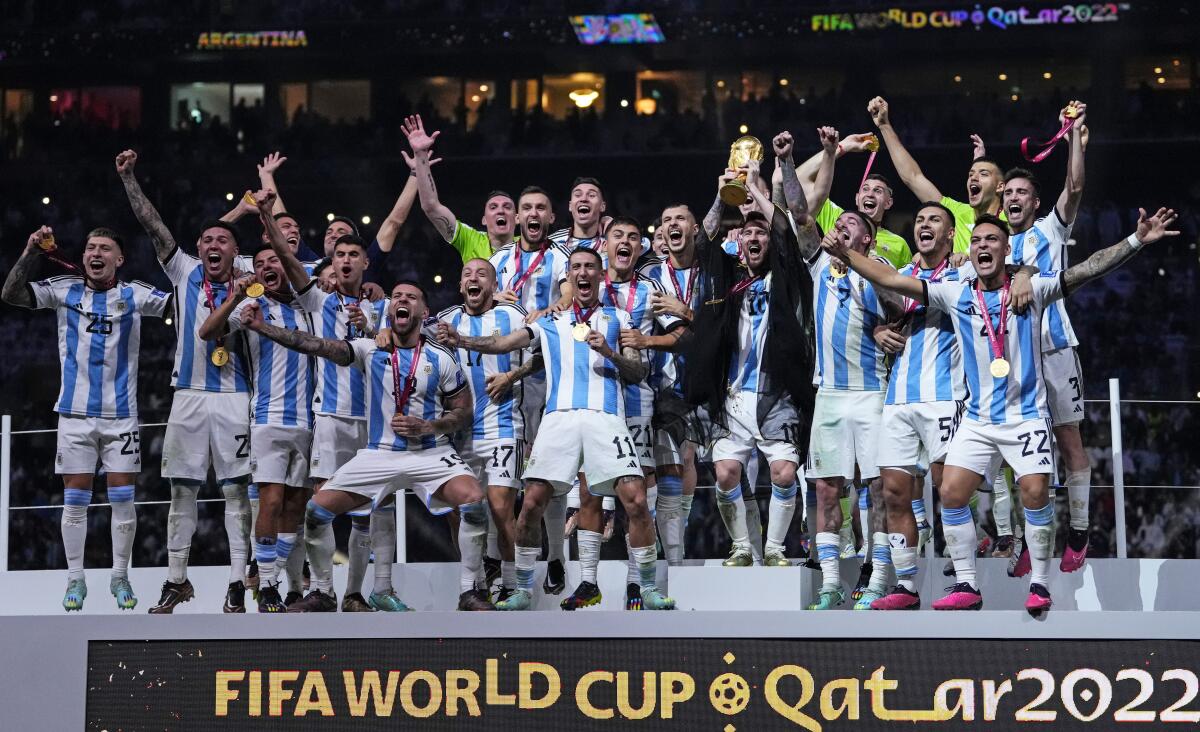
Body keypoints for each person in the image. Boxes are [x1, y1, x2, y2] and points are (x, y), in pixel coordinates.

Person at [824, 207, 1178, 614]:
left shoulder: (1033, 288)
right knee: (952, 495)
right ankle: (967, 586)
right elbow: (890, 278)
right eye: (976, 241)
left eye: (991, 240)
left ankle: (1041, 585)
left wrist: (1135, 241)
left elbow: (1087, 270)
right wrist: (845, 254)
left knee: (1034, 493)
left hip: (1025, 417)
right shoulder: (956, 293)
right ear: (969, 251)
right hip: (977, 420)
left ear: (1006, 250)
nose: (982, 246)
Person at [439, 248, 675, 611]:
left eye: (590, 268)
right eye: (576, 267)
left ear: (600, 276)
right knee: (531, 502)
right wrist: (462, 341)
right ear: (570, 276)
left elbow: (638, 371)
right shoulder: (550, 322)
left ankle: (646, 587)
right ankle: (521, 588)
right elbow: (504, 343)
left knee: (637, 500)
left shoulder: (619, 317)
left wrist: (610, 353)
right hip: (558, 419)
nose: (583, 273)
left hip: (605, 417)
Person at [241, 282, 495, 612]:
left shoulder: (441, 358)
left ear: (424, 313)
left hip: (431, 453)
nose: (403, 299)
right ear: (390, 311)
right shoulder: (369, 349)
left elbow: (464, 412)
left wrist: (430, 426)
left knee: (474, 502)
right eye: (398, 296)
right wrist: (264, 327)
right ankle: (322, 592)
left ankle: (469, 592)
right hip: (380, 454)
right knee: (317, 512)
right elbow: (314, 344)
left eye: (412, 297)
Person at [2, 225, 170, 611]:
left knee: (123, 501)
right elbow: (11, 294)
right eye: (91, 247)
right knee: (75, 502)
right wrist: (29, 251)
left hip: (121, 417)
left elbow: (180, 305)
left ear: (119, 259)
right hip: (75, 415)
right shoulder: (64, 289)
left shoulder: (135, 294)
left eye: (105, 248)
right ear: (83, 257)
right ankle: (75, 581)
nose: (96, 252)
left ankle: (120, 577)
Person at [116, 149, 254, 614]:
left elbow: (296, 264)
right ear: (199, 248)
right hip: (188, 396)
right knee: (182, 490)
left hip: (236, 395)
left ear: (237, 251)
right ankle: (177, 580)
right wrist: (130, 177)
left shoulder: (252, 277)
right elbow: (152, 224)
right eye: (206, 239)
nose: (214, 244)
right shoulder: (183, 270)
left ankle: (237, 582)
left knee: (237, 490)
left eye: (223, 239)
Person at [683, 141, 818, 574]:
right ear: (738, 241)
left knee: (781, 473)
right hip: (733, 394)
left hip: (777, 394)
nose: (755, 237)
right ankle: (742, 546)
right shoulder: (727, 278)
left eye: (759, 231)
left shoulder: (788, 273)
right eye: (748, 233)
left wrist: (756, 191)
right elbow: (702, 241)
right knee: (725, 475)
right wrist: (725, 196)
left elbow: (783, 229)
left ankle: (776, 548)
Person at [259, 204, 395, 612]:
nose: (347, 261)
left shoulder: (385, 308)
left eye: (354, 255)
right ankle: (322, 590)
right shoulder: (317, 302)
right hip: (331, 418)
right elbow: (286, 257)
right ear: (330, 263)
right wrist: (267, 216)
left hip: (373, 425)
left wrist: (374, 326)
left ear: (367, 262)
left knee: (364, 514)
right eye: (340, 255)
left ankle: (353, 593)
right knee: (319, 507)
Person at [200, 194, 316, 612]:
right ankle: (267, 586)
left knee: (295, 507)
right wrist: (232, 298)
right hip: (267, 419)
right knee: (269, 501)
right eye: (262, 263)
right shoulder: (252, 306)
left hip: (309, 422)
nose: (269, 267)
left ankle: (269, 579)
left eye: (276, 262)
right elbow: (206, 331)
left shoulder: (309, 306)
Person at [563, 216, 685, 611]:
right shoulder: (581, 286)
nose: (626, 242)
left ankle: (637, 583)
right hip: (591, 401)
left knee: (638, 495)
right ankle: (587, 582)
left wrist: (647, 338)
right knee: (588, 489)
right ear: (606, 244)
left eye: (634, 237)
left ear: (640, 247)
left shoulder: (650, 289)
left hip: (635, 400)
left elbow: (683, 332)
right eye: (618, 235)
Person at [1001, 101, 1092, 574]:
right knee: (1017, 452)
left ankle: (1078, 529)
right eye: (1008, 192)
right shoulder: (988, 240)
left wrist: (1073, 134)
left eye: (1022, 192)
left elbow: (1074, 185)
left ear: (1034, 202)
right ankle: (1027, 539)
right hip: (1011, 360)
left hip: (1055, 350)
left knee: (1068, 437)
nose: (1014, 197)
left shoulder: (1050, 229)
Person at [869, 203, 966, 610]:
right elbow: (879, 319)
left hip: (945, 395)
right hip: (898, 398)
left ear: (949, 235)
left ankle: (965, 580)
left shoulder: (963, 274)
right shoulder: (900, 276)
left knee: (950, 491)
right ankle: (906, 586)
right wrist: (876, 331)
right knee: (894, 493)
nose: (924, 224)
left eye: (935, 221)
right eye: (920, 219)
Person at [436, 258, 541, 603]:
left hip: (503, 425)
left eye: (482, 274)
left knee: (499, 507)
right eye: (467, 273)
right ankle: (477, 583)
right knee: (460, 511)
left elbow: (542, 355)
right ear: (460, 284)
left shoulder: (512, 315)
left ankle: (512, 584)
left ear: (494, 286)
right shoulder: (444, 320)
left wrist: (512, 375)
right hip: (459, 434)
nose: (473, 278)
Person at [637, 203, 707, 565]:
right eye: (665, 221)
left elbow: (714, 328)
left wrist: (686, 312)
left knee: (688, 459)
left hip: (705, 381)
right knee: (661, 466)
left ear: (695, 228)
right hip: (659, 384)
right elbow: (678, 333)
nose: (671, 226)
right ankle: (661, 550)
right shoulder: (650, 277)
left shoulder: (710, 273)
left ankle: (674, 546)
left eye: (680, 218)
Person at [868, 96, 1001, 253]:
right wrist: (884, 126)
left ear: (1000, 187)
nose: (973, 177)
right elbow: (913, 177)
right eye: (971, 173)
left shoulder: (1013, 219)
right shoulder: (958, 213)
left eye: (983, 174)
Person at [402, 114, 517, 262]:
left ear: (517, 218)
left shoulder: (531, 246)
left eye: (507, 207)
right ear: (484, 220)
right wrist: (421, 156)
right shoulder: (470, 239)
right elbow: (431, 206)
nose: (500, 210)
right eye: (493, 207)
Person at [791, 134, 913, 269]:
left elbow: (905, 284)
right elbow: (798, 180)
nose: (870, 194)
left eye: (878, 191)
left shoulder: (899, 244)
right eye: (865, 189)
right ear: (857, 198)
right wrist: (841, 147)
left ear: (888, 203)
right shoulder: (838, 217)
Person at [550, 177, 608, 253]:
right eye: (577, 195)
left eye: (591, 195)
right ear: (570, 206)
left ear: (602, 206)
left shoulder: (611, 244)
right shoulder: (551, 243)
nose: (583, 199)